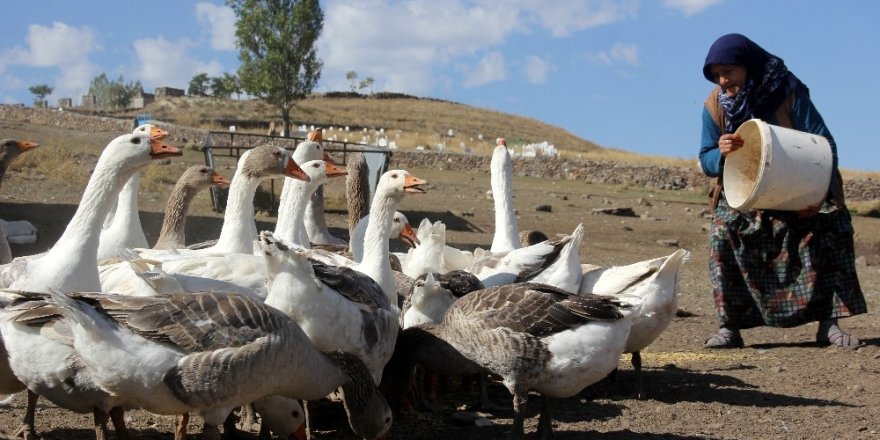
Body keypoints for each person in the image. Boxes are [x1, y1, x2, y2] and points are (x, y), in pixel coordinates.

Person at [698, 33, 866, 348]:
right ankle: (729, 327)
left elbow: (823, 143)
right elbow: (706, 160)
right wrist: (719, 152)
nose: (723, 80)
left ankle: (829, 325)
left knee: (831, 225)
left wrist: (817, 196)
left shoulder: (787, 92)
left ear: (748, 66)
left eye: (729, 71)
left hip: (797, 189)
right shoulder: (714, 107)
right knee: (722, 231)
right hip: (745, 195)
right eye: (716, 74)